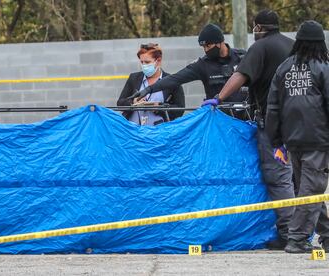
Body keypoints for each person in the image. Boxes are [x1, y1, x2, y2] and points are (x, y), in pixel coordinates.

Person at [202, 10, 296, 250]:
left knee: (278, 177)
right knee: (304, 179)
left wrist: (219, 97)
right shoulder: (292, 45)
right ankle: (315, 230)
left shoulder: (260, 48)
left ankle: (290, 234)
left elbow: (241, 76)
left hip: (273, 123)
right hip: (300, 123)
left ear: (257, 28)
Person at [265, 20, 329, 254]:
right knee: (311, 190)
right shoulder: (323, 67)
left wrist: (276, 141)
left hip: (293, 140)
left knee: (309, 189)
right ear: (320, 43)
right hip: (318, 140)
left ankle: (328, 235)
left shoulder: (284, 68)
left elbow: (272, 107)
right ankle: (297, 238)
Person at [130, 24, 248, 119]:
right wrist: (148, 89)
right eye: (203, 47)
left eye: (208, 46)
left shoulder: (243, 57)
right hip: (219, 121)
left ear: (220, 42)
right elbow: (176, 78)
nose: (206, 50)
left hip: (246, 117)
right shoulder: (202, 64)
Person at [117, 43, 185, 125]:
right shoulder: (133, 78)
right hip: (134, 132)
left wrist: (159, 107)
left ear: (158, 61)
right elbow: (120, 103)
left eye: (147, 62)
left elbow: (180, 109)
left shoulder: (172, 81)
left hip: (160, 132)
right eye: (141, 62)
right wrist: (133, 101)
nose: (144, 65)